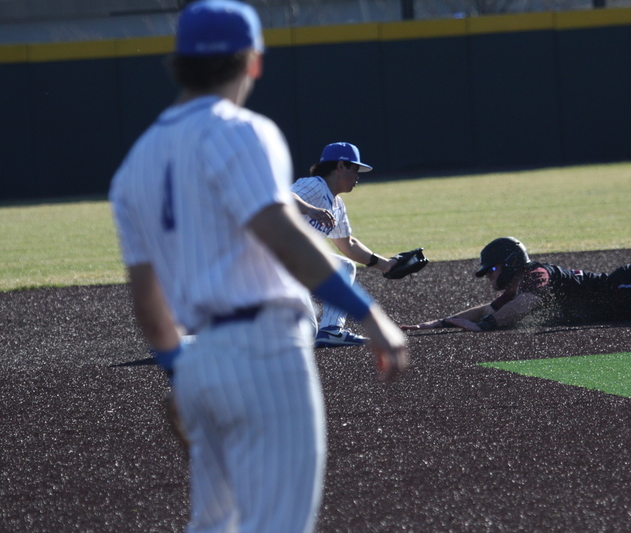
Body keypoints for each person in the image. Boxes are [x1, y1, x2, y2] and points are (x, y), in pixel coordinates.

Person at [109, 2, 408, 532]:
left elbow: (148, 309)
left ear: (179, 62)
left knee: (213, 523)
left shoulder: (135, 164)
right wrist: (370, 316)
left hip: (198, 360)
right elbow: (283, 235)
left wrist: (183, 372)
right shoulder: (243, 131)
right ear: (252, 62)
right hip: (266, 355)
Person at [401, 178, 631, 332]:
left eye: (492, 269)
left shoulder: (536, 275)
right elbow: (488, 310)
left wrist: (485, 325)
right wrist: (439, 324)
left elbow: (508, 313)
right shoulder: (520, 284)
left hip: (629, 287)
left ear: (511, 263)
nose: (490, 277)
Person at [291, 142, 400, 348]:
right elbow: (280, 196)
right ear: (341, 166)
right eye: (355, 169)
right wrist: (309, 209)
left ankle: (331, 330)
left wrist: (386, 265)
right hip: (269, 263)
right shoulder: (315, 185)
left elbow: (347, 245)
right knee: (301, 332)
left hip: (296, 263)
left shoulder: (337, 205)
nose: (357, 176)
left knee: (344, 265)